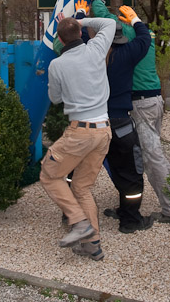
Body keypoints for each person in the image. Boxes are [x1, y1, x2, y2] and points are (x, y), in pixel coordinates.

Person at [88, 0, 170, 224]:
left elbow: (105, 18)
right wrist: (137, 20)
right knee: (152, 153)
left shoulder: (128, 36)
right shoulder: (145, 35)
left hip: (141, 104)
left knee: (151, 157)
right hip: (153, 101)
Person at [39, 14, 115, 262]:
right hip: (104, 131)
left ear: (60, 40)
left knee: (49, 174)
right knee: (81, 187)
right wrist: (82, 21)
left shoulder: (57, 65)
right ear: (80, 33)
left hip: (80, 132)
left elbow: (55, 98)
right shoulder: (96, 49)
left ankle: (79, 222)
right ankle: (93, 245)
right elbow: (109, 23)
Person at [103, 4, 153, 234]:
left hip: (96, 124)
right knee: (131, 174)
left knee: (85, 172)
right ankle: (130, 220)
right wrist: (135, 20)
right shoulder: (126, 54)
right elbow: (145, 38)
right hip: (121, 125)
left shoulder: (92, 55)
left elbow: (74, 39)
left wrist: (80, 17)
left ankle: (72, 215)